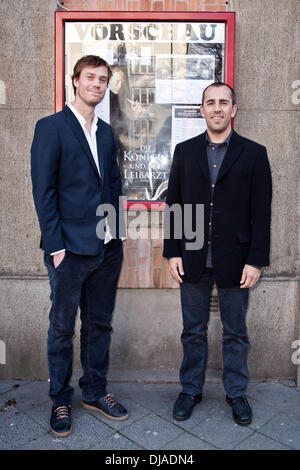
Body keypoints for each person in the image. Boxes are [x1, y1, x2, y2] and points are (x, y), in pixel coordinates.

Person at [163, 82, 272, 426]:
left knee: (236, 331)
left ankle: (236, 392)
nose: (217, 108)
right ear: (202, 110)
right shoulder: (185, 151)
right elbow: (175, 204)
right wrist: (172, 252)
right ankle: (190, 389)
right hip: (192, 256)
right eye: (210, 102)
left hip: (237, 261)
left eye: (223, 102)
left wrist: (255, 260)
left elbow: (261, 212)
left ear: (233, 109)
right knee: (192, 330)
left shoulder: (254, 153)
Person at [31, 55, 128, 438]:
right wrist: (55, 247)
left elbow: (114, 184)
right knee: (62, 328)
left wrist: (117, 234)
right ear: (75, 81)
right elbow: (44, 191)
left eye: (103, 80)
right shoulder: (51, 128)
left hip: (106, 247)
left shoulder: (105, 132)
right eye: (90, 77)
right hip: (68, 251)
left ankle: (94, 391)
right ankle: (59, 398)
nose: (97, 84)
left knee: (100, 324)